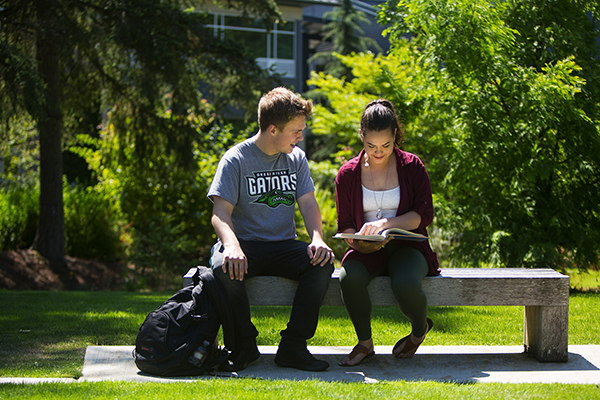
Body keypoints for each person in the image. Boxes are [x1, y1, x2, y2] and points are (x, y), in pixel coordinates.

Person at [208, 87, 335, 372]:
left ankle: (293, 346)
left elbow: (309, 204)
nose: (300, 137)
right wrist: (231, 245)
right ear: (273, 129)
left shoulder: (296, 158)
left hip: (282, 245)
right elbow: (220, 213)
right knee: (221, 266)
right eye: (295, 131)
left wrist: (317, 238)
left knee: (322, 263)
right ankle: (243, 345)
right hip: (245, 245)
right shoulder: (235, 159)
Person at [335, 99, 440, 366]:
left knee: (404, 282)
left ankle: (418, 331)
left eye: (385, 145)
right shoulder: (347, 174)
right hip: (366, 249)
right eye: (370, 146)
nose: (378, 152)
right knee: (349, 277)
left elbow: (422, 215)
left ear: (395, 135)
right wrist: (356, 240)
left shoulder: (412, 166)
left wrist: (384, 224)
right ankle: (365, 342)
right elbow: (345, 224)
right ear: (361, 135)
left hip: (407, 247)